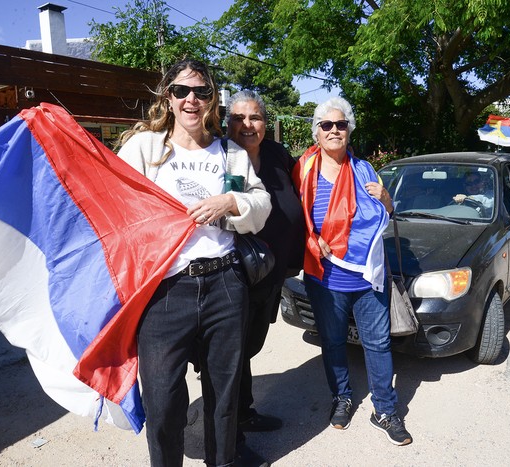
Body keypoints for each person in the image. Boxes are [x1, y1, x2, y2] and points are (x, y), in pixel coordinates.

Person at [116, 58, 271, 467]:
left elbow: (261, 203)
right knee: (163, 401)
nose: (191, 99)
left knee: (224, 397)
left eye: (201, 92)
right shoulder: (144, 148)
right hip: (165, 289)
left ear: (212, 100)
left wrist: (231, 201)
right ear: (168, 97)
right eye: (182, 91)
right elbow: (114, 204)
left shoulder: (230, 154)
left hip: (224, 284)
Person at [292, 97, 413, 446]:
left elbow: (386, 217)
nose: (334, 130)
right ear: (316, 132)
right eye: (326, 125)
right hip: (324, 278)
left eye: (340, 125)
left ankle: (385, 410)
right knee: (332, 342)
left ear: (349, 130)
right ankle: (342, 398)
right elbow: (292, 219)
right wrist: (311, 242)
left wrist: (387, 199)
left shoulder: (364, 171)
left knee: (377, 344)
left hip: (367, 278)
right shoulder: (303, 172)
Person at [226, 90, 305, 466]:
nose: (248, 125)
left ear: (265, 121)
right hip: (234, 274)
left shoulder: (276, 154)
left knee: (251, 345)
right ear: (227, 122)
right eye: (239, 117)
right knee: (231, 351)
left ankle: (243, 409)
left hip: (272, 273)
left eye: (255, 117)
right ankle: (231, 432)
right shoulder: (222, 157)